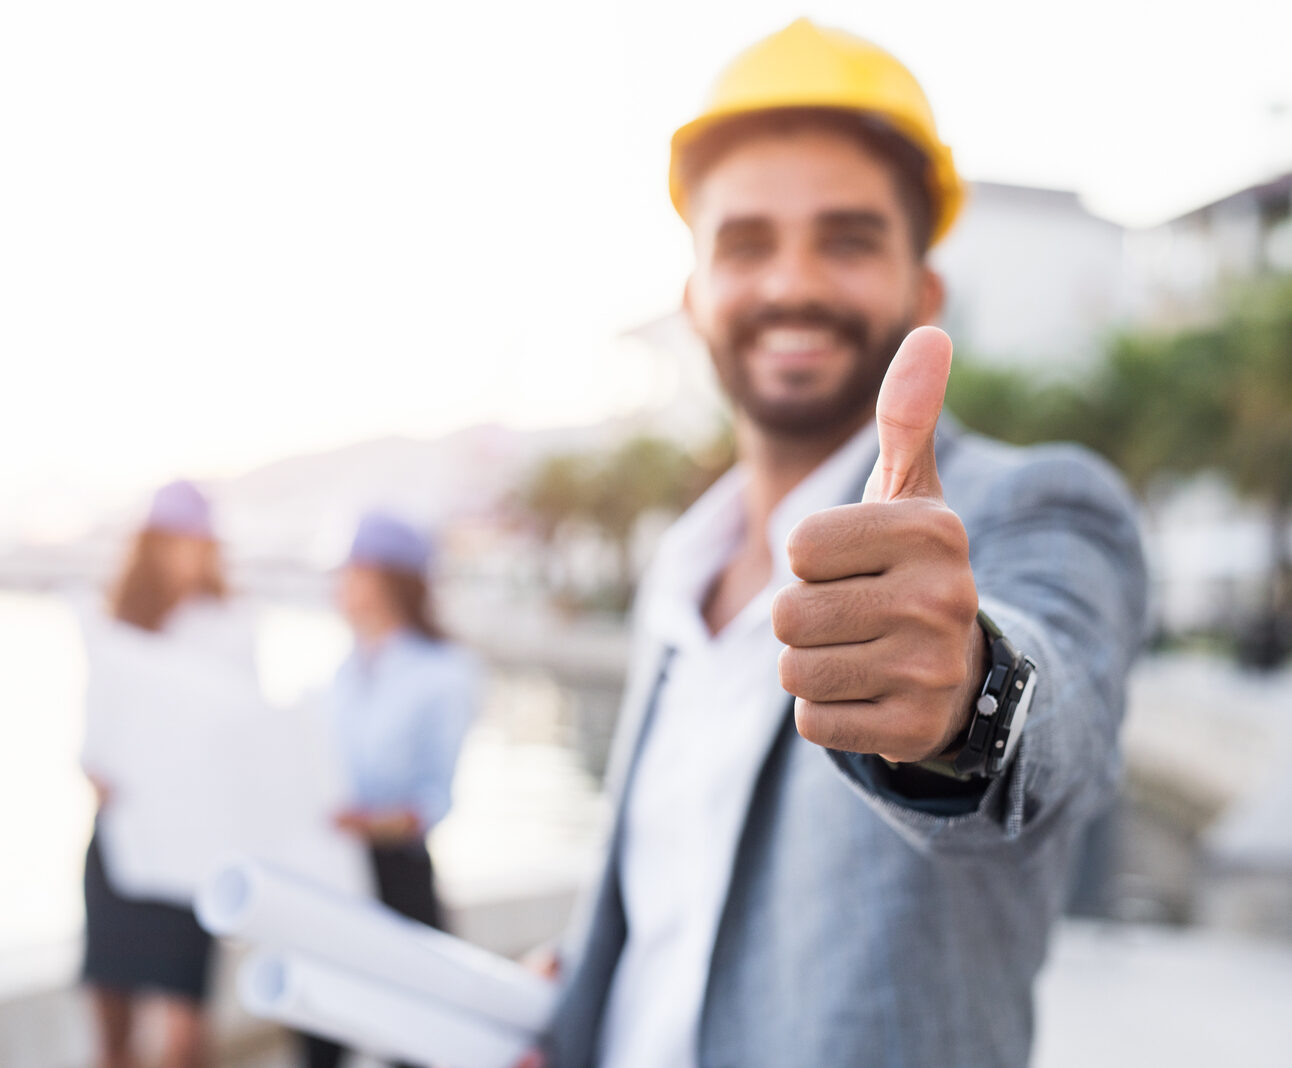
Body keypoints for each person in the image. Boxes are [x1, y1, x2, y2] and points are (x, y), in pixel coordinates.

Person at [541, 19, 1148, 1068]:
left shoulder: (1033, 504)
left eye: (847, 238)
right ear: (694, 298)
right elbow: (690, 913)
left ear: (923, 293)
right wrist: (590, 995)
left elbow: (1063, 716)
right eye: (745, 243)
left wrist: (965, 692)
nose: (790, 284)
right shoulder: (680, 568)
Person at [81, 480, 252, 1068]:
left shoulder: (232, 629)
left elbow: (244, 740)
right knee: (111, 1025)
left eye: (194, 541)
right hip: (124, 843)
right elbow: (95, 741)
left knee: (183, 1035)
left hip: (192, 855)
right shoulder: (114, 623)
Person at [300, 510, 479, 1068]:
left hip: (397, 875)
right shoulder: (344, 670)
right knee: (315, 1030)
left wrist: (373, 822)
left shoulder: (444, 672)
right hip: (333, 874)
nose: (342, 583)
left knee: (415, 1042)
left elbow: (436, 798)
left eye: (354, 570)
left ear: (388, 579)